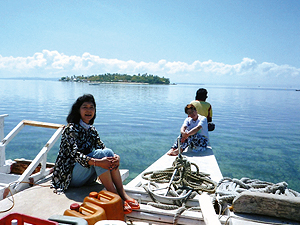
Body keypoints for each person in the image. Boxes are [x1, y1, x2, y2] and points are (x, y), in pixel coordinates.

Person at [51, 94, 139, 214]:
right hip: (70, 178)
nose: (88, 110)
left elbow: (103, 148)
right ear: (78, 110)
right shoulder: (71, 129)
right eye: (85, 107)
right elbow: (75, 154)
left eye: (91, 107)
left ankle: (122, 193)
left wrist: (115, 157)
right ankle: (114, 195)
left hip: (85, 175)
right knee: (98, 155)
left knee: (108, 152)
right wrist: (98, 162)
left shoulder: (92, 130)